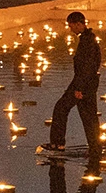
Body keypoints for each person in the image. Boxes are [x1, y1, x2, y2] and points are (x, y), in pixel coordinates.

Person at [42, 11, 101, 154]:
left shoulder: (87, 41)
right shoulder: (88, 38)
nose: (70, 29)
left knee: (62, 109)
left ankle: (58, 144)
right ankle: (95, 148)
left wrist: (79, 88)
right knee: (88, 116)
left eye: (72, 26)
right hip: (88, 83)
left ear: (80, 24)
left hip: (83, 84)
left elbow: (86, 66)